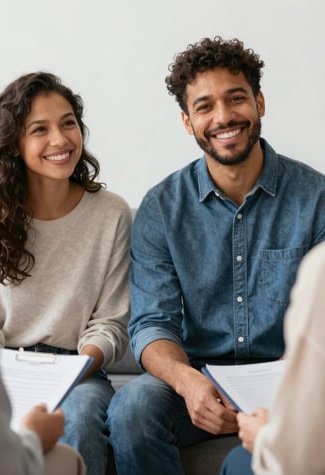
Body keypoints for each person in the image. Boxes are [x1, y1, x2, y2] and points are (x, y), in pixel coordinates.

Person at [106, 36, 325, 475]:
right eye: (204, 106)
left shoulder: (316, 198)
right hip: (199, 378)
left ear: (259, 102)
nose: (223, 117)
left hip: (290, 382)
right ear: (188, 122)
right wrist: (189, 383)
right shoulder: (162, 208)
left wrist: (285, 391)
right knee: (132, 409)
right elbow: (152, 323)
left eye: (236, 98)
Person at [0, 72, 131, 474]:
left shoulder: (111, 214)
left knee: (80, 418)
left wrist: (77, 367)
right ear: (14, 144)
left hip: (79, 370)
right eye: (39, 129)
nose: (60, 140)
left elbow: (111, 322)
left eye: (68, 123)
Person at [0, 246, 86, 475]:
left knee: (83, 408)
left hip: (74, 364)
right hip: (4, 362)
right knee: (65, 458)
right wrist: (34, 435)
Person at [220, 240, 325, 474]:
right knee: (136, 408)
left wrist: (265, 437)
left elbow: (303, 459)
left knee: (239, 462)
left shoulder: (320, 269)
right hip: (201, 375)